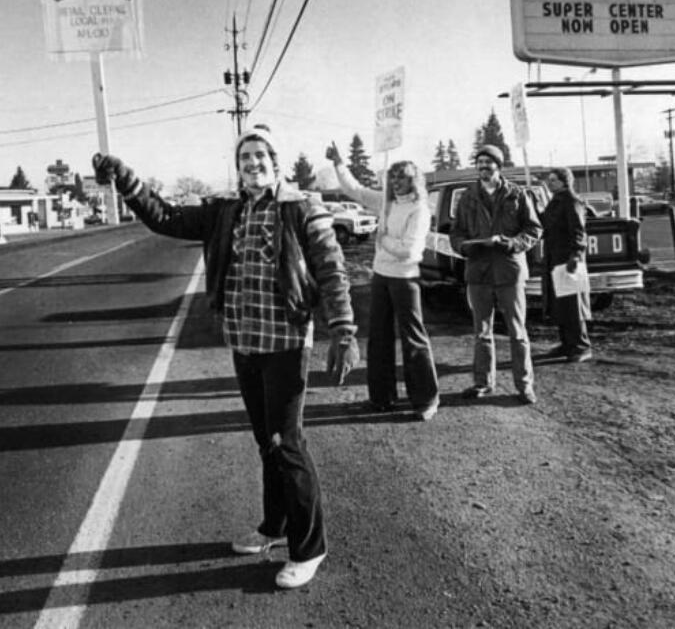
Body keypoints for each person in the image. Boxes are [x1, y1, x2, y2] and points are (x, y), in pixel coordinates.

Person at [92, 125, 360, 590]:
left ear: (274, 162)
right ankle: (273, 528)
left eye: (260, 156)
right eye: (245, 158)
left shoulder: (302, 207)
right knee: (267, 443)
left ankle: (310, 547)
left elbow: (331, 270)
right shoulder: (226, 211)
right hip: (244, 341)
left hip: (285, 343)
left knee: (288, 444)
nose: (253, 164)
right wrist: (125, 179)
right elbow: (166, 218)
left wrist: (343, 329)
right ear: (237, 168)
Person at [326, 143, 440, 421]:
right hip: (381, 277)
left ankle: (426, 400)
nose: (398, 183)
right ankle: (381, 397)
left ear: (415, 181)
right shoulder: (386, 202)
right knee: (378, 338)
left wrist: (383, 239)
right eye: (394, 178)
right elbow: (355, 190)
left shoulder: (419, 210)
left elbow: (410, 251)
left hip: (405, 280)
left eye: (403, 178)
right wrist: (339, 163)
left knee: (413, 339)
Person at [448, 144, 542, 404]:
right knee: (482, 332)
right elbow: (456, 233)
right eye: (479, 164)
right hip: (478, 272)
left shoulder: (517, 194)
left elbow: (534, 230)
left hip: (509, 271)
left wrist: (513, 244)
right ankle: (482, 383)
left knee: (517, 332)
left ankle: (524, 386)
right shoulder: (467, 197)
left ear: (499, 167)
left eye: (489, 163)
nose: (483, 168)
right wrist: (462, 246)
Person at [539, 167, 593, 363]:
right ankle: (567, 343)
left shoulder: (571, 202)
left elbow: (579, 231)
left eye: (553, 180)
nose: (549, 183)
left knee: (573, 305)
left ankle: (581, 346)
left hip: (568, 260)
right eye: (549, 180)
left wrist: (576, 255)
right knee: (561, 304)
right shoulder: (555, 202)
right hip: (555, 259)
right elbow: (545, 225)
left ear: (564, 181)